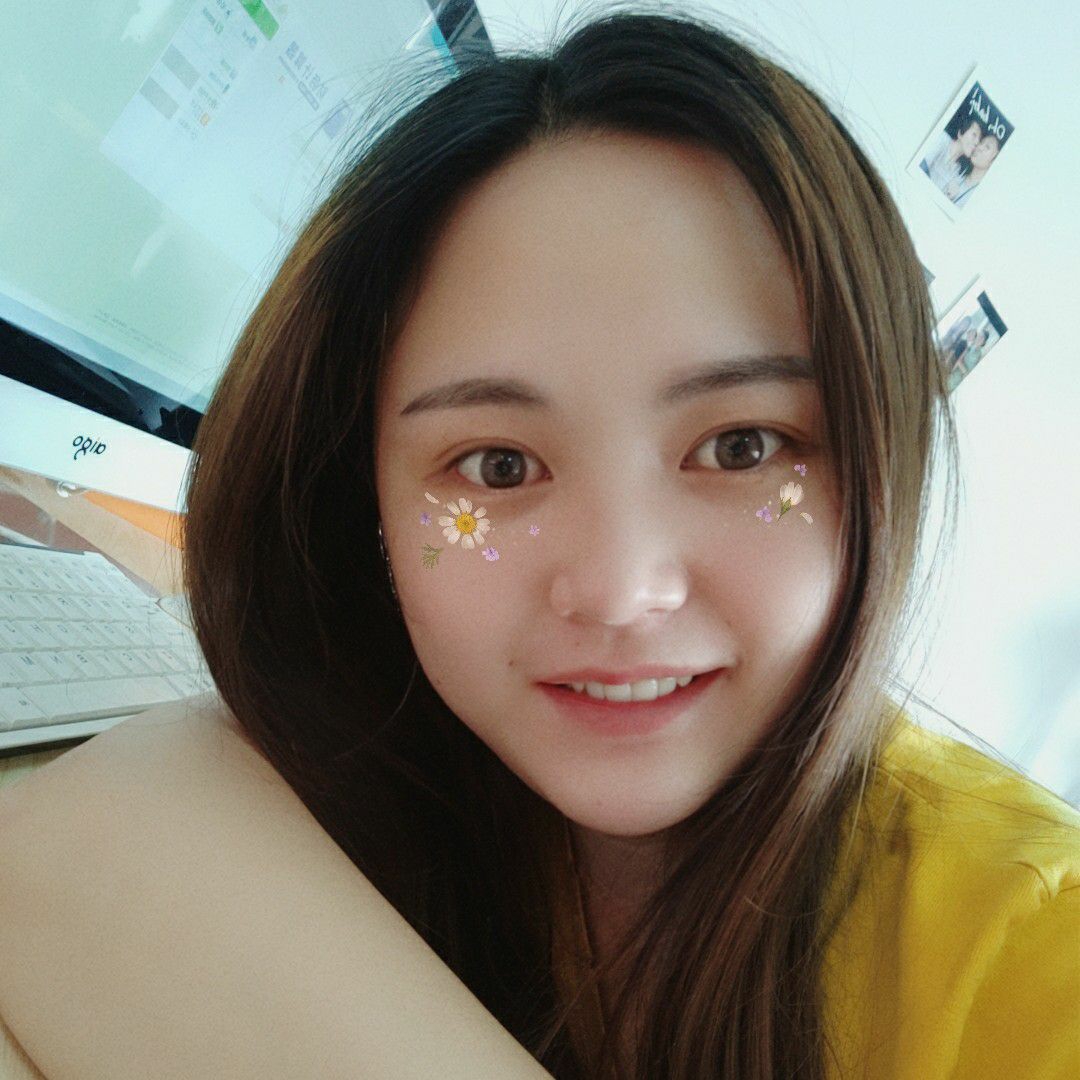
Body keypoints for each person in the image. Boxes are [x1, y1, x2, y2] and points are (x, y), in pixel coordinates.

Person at [1, 4, 1077, 1079]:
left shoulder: (1031, 940)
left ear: (879, 462)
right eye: (498, 467)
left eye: (742, 447)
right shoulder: (329, 770)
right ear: (359, 497)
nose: (618, 590)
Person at [919, 116, 983, 193]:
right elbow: (921, 166)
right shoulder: (942, 139)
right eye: (974, 135)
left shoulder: (957, 170)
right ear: (960, 133)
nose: (977, 142)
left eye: (979, 140)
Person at [945, 132, 1002, 208]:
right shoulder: (955, 173)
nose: (979, 147)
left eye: (987, 147)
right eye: (981, 142)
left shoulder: (983, 198)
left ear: (995, 160)